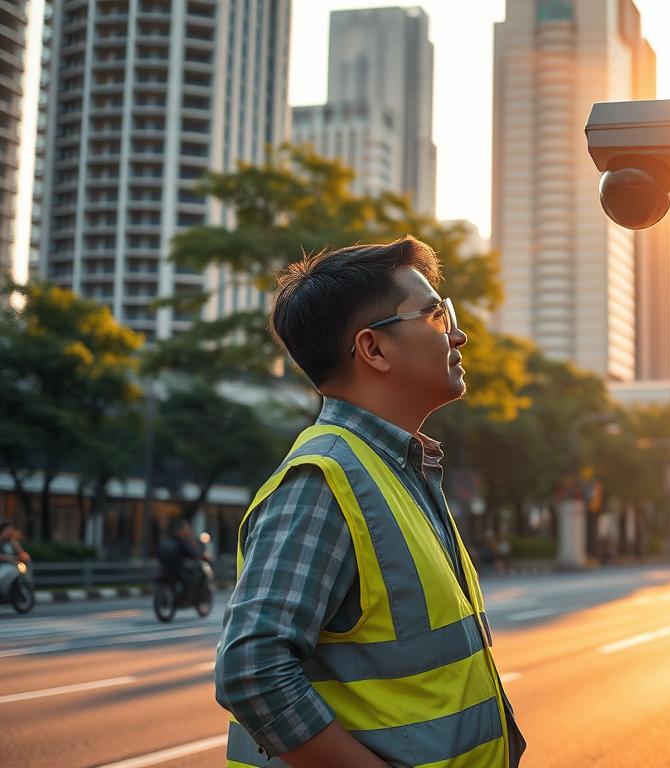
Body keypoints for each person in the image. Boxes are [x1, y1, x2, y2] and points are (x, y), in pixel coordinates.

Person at [216, 238, 525, 768]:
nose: (458, 333)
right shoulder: (325, 480)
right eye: (434, 315)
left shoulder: (393, 468)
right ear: (373, 349)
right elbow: (252, 669)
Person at [158, 518, 206, 599]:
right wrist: (199, 555)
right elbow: (193, 554)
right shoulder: (181, 541)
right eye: (186, 528)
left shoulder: (167, 539)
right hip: (177, 569)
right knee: (192, 576)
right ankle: (185, 597)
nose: (188, 531)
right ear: (181, 530)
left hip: (164, 568)